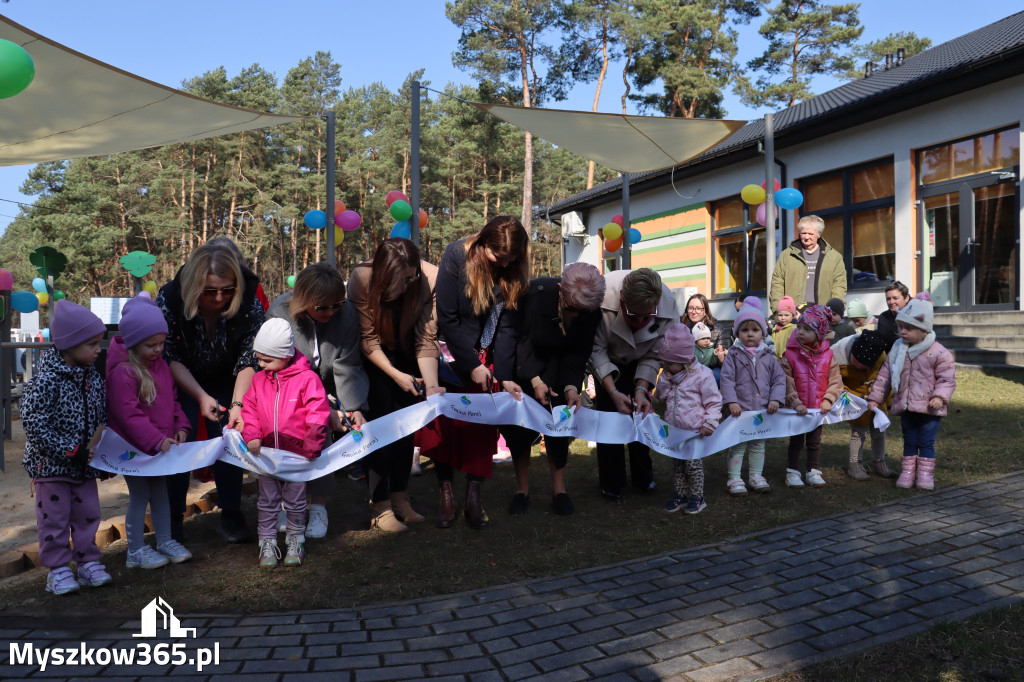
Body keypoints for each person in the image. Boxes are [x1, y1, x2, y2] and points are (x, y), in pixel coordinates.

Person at [425, 215, 528, 529]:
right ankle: (446, 494)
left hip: (487, 360)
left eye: (511, 258)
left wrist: (505, 375)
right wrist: (471, 365)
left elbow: (508, 327)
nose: (505, 263)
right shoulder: (456, 255)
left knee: (481, 430)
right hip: (453, 357)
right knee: (445, 429)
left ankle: (473, 495)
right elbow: (448, 317)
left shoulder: (513, 268)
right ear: (484, 243)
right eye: (499, 256)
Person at [157, 242, 264, 544]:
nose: (219, 298)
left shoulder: (249, 301)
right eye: (209, 291)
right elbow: (169, 355)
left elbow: (249, 357)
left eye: (227, 290)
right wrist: (200, 396)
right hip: (182, 376)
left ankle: (231, 513)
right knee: (181, 438)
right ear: (194, 287)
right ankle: (173, 518)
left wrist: (238, 404)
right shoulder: (170, 299)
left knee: (229, 434)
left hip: (229, 375)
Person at [268, 262, 370, 538]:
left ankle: (318, 508)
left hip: (327, 388)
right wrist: (322, 405)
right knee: (285, 440)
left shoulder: (346, 313)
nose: (331, 312)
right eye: (322, 307)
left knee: (320, 437)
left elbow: (347, 362)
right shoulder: (279, 313)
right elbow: (281, 365)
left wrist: (353, 406)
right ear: (303, 301)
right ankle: (286, 505)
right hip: (287, 388)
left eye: (337, 304)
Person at [347, 238, 442, 531]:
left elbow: (426, 337)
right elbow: (367, 338)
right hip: (375, 360)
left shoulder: (431, 278)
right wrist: (394, 374)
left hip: (410, 356)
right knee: (378, 430)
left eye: (411, 278)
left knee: (405, 429)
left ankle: (401, 498)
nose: (406, 286)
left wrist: (431, 386)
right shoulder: (361, 278)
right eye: (400, 281)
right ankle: (380, 506)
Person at [21, 300, 112, 595]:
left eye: (99, 342)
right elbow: (34, 425)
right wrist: (70, 450)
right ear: (69, 345)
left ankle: (87, 562)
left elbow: (101, 418)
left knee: (88, 516)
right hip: (52, 469)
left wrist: (102, 456)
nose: (98, 350)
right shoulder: (45, 382)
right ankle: (57, 570)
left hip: (84, 467)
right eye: (91, 344)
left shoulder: (93, 378)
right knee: (54, 521)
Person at [505, 262, 605, 516]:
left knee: (559, 430)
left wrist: (572, 386)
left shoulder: (591, 309)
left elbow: (579, 351)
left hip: (562, 371)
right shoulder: (533, 296)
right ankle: (521, 490)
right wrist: (535, 381)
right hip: (528, 367)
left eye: (583, 311)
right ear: (560, 290)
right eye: (572, 309)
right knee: (520, 432)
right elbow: (521, 342)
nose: (577, 316)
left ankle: (560, 491)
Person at [106, 293, 193, 569]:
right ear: (133, 342)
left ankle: (164, 540)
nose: (158, 349)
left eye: (161, 343)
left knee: (160, 494)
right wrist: (155, 439)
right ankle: (135, 550)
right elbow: (127, 415)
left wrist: (180, 426)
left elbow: (173, 401)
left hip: (158, 446)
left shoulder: (161, 366)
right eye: (151, 345)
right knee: (140, 496)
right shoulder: (123, 372)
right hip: (135, 449)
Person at [241, 319, 331, 568]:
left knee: (296, 501)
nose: (261, 364)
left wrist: (312, 444)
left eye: (267, 360)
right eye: (259, 358)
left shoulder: (307, 379)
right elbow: (249, 409)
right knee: (267, 501)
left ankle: (295, 539)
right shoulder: (259, 380)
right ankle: (267, 542)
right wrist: (252, 434)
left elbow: (317, 412)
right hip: (267, 455)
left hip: (297, 456)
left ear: (286, 355)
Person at [590, 268, 679, 500]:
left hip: (642, 362)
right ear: (622, 298)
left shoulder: (669, 305)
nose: (639, 321)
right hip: (607, 362)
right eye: (633, 314)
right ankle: (611, 482)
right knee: (609, 420)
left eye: (646, 315)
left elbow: (657, 352)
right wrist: (612, 391)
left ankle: (643, 477)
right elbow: (596, 349)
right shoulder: (600, 297)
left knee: (641, 416)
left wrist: (641, 389)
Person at [868, 299, 956, 491]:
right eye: (901, 327)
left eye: (908, 328)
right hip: (906, 405)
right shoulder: (897, 350)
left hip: (929, 408)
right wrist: (875, 398)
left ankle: (925, 474)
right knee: (909, 440)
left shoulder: (938, 353)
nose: (903, 332)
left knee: (925, 441)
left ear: (923, 330)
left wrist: (940, 397)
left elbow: (947, 378)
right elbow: (885, 375)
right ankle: (907, 472)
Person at [720, 297, 786, 495]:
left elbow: (779, 379)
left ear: (762, 333)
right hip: (739, 411)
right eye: (745, 329)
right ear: (737, 332)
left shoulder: (768, 356)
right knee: (738, 445)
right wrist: (731, 401)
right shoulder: (733, 355)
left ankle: (756, 475)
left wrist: (775, 399)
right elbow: (726, 379)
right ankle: (734, 478)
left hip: (761, 410)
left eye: (755, 329)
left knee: (758, 445)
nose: (750, 333)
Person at [657, 324, 721, 514]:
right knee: (678, 464)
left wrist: (710, 422)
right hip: (675, 431)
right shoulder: (669, 375)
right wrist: (665, 380)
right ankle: (680, 494)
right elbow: (661, 396)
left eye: (670, 363)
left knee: (693, 465)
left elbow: (713, 401)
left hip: (694, 431)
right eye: (664, 363)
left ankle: (697, 496)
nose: (666, 367)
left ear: (684, 360)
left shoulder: (702, 375)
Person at [779, 305, 844, 488]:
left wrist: (828, 399)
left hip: (817, 409)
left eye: (807, 329)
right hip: (797, 409)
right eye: (799, 327)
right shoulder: (790, 355)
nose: (800, 332)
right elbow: (785, 381)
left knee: (814, 441)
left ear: (819, 333)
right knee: (796, 441)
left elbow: (835, 380)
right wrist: (795, 402)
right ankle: (792, 472)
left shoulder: (828, 356)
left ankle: (813, 470)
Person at [832, 330, 895, 480]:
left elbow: (885, 377)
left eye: (864, 366)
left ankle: (879, 461)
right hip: (855, 401)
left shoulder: (881, 355)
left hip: (877, 397)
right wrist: (843, 390)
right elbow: (833, 379)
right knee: (858, 432)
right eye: (856, 363)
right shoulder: (836, 357)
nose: (859, 367)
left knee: (879, 431)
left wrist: (886, 400)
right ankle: (854, 464)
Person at [769, 215, 847, 313]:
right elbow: (777, 284)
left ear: (819, 234)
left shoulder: (834, 257)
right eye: (803, 233)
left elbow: (839, 286)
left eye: (810, 234)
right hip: (793, 315)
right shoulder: (787, 255)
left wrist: (834, 311)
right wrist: (779, 311)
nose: (806, 237)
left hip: (822, 314)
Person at [681, 293, 731, 382]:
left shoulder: (717, 329)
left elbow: (722, 362)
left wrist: (719, 356)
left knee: (716, 375)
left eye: (698, 308)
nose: (694, 311)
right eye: (691, 308)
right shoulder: (682, 327)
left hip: (710, 367)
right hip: (687, 368)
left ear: (705, 311)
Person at [876, 281, 911, 352]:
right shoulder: (883, 317)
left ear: (906, 298)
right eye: (888, 299)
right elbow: (882, 343)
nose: (891, 302)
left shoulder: (914, 314)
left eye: (895, 298)